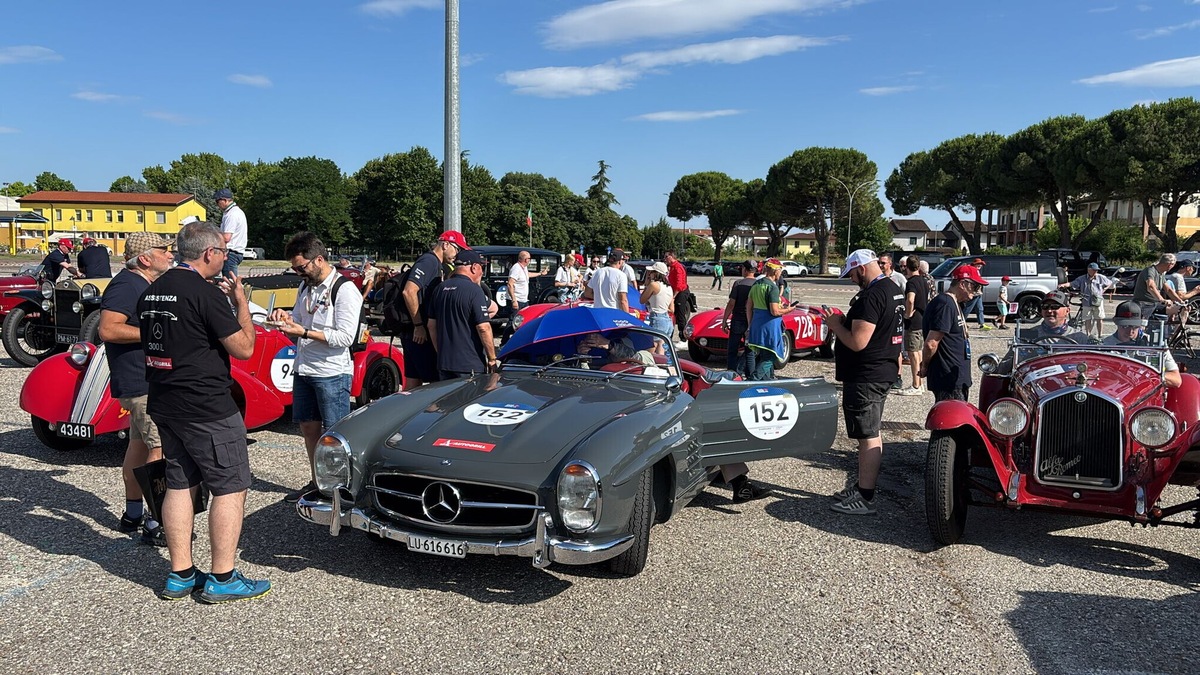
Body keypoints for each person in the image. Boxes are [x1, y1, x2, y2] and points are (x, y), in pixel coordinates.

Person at [138, 221, 268, 603]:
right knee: (230, 486)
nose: (226, 259)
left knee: (180, 483)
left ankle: (180, 573)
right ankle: (223, 577)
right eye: (224, 253)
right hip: (206, 406)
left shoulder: (152, 289)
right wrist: (241, 304)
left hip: (165, 400)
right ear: (209, 253)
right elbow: (244, 348)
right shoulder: (204, 293)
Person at [268, 232, 364, 503]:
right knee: (309, 429)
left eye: (301, 267)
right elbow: (299, 319)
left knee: (336, 436)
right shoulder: (306, 286)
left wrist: (304, 332)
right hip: (305, 369)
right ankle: (318, 482)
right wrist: (285, 318)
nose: (298, 273)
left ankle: (341, 490)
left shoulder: (344, 289)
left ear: (319, 259)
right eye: (295, 268)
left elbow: (345, 338)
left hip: (332, 372)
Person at [99, 232, 174, 546]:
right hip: (141, 382)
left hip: (140, 380)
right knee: (161, 447)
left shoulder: (139, 284)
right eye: (163, 250)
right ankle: (157, 522)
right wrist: (156, 332)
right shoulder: (127, 285)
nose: (170, 254)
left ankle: (132, 514)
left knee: (139, 446)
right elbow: (108, 329)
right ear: (145, 258)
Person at [824, 249, 903, 516]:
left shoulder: (871, 296)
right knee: (872, 432)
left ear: (861, 268)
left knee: (867, 436)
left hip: (867, 374)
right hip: (882, 369)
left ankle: (865, 496)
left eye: (852, 273)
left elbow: (858, 342)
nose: (851, 279)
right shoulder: (893, 289)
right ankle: (862, 487)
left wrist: (835, 325)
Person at [401, 231, 468, 389]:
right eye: (457, 249)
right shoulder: (429, 261)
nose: (457, 254)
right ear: (445, 244)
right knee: (435, 385)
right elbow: (409, 291)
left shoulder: (436, 263)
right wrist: (418, 325)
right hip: (419, 333)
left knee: (413, 382)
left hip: (413, 333)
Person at [427, 248, 498, 379]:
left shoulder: (440, 288)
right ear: (474, 267)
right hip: (469, 364)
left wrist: (440, 352)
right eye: (481, 267)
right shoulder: (474, 290)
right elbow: (483, 328)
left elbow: (431, 325)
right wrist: (492, 358)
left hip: (444, 363)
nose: (482, 272)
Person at [919, 265, 986, 402]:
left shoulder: (955, 303)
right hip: (947, 379)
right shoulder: (945, 304)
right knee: (952, 414)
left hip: (956, 377)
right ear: (962, 284)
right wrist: (925, 366)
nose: (977, 291)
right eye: (975, 286)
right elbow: (931, 343)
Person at [1103, 300, 1182, 388]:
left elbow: (1176, 379)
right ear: (1115, 322)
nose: (1130, 331)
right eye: (1125, 326)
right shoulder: (1105, 347)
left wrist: (1148, 376)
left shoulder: (1154, 344)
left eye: (1135, 326)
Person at [745, 259, 789, 380]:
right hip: (770, 326)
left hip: (757, 323)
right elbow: (775, 311)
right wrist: (788, 310)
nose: (781, 273)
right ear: (775, 271)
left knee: (764, 354)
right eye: (780, 270)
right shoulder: (773, 288)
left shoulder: (756, 284)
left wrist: (750, 324)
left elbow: (748, 307)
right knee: (771, 356)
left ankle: (768, 380)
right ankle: (753, 379)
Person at [897, 256, 929, 395]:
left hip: (913, 322)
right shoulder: (923, 280)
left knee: (913, 353)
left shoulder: (911, 282)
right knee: (919, 352)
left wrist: (907, 314)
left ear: (907, 267)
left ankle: (916, 385)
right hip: (922, 320)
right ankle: (920, 383)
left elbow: (910, 299)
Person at [721, 260, 758, 376]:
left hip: (738, 319)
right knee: (750, 351)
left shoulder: (738, 283)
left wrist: (724, 320)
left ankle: (731, 375)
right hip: (752, 320)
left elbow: (731, 303)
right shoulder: (758, 284)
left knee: (732, 350)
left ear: (745, 269)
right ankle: (750, 376)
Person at [1060, 262, 1112, 339]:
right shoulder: (1082, 278)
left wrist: (1104, 289)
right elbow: (1073, 283)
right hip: (1086, 301)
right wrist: (1063, 285)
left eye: (1096, 270)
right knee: (1087, 319)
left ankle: (1100, 335)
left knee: (1099, 318)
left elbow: (1110, 283)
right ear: (1089, 270)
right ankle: (1088, 335)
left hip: (1098, 302)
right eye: (1094, 270)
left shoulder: (1101, 277)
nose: (1095, 272)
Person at [879, 254, 906, 390]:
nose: (880, 265)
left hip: (896, 316)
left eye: (883, 263)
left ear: (890, 264)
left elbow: (907, 295)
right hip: (882, 318)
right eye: (879, 263)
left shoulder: (899, 278)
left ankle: (898, 376)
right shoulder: (877, 277)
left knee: (896, 347)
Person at [1132, 253, 1181, 319]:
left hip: (1155, 304)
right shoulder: (1150, 270)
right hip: (1144, 304)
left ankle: (1175, 325)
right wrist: (1162, 300)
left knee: (1181, 308)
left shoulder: (1161, 274)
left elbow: (1168, 290)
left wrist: (1180, 301)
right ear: (1170, 264)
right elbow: (1151, 287)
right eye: (1174, 265)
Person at [582, 248, 631, 313]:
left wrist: (599, 297)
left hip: (598, 313)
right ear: (620, 261)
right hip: (612, 313)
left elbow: (587, 293)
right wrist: (627, 317)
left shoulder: (597, 272)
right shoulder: (621, 275)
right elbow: (623, 301)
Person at [213, 188, 247, 278]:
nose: (217, 204)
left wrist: (213, 237)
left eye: (217, 201)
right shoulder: (235, 212)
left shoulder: (231, 215)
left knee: (229, 282)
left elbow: (227, 237)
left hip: (231, 253)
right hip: (235, 253)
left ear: (225, 200)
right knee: (229, 281)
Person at [639, 261, 674, 346]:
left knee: (653, 346)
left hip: (657, 318)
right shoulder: (669, 287)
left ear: (656, 273)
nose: (649, 274)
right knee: (663, 347)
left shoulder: (653, 285)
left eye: (651, 272)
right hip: (667, 319)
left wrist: (646, 285)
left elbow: (642, 300)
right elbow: (671, 308)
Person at [664, 250, 692, 349]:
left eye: (666, 257)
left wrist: (674, 296)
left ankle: (684, 339)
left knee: (680, 315)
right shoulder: (671, 267)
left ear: (671, 257)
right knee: (673, 314)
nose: (665, 259)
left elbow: (679, 284)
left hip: (680, 292)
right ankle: (670, 336)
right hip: (675, 292)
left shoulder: (678, 267)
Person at [506, 250, 545, 315]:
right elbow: (510, 284)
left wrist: (540, 273)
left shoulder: (524, 268)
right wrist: (514, 300)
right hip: (517, 300)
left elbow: (527, 274)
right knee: (515, 319)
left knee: (525, 318)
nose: (530, 260)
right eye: (529, 258)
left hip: (524, 300)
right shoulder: (516, 268)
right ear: (526, 260)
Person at [961, 258, 991, 331]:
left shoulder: (977, 271)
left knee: (980, 309)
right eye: (978, 264)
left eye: (981, 264)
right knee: (968, 309)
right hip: (974, 293)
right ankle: (961, 322)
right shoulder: (972, 271)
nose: (980, 265)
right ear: (974, 264)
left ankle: (982, 324)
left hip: (978, 292)